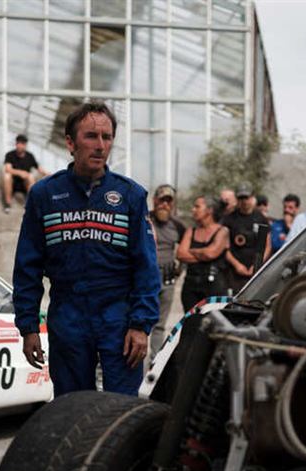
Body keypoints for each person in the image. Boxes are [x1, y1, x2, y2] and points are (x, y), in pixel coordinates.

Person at [12, 102, 159, 397]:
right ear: (70, 142)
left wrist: (141, 325)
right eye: (91, 136)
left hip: (118, 316)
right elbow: (27, 266)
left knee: (121, 410)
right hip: (68, 315)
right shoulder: (45, 194)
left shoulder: (131, 195)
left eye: (107, 137)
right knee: (71, 406)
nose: (100, 146)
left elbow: (146, 265)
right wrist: (28, 327)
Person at [148, 183, 186, 357]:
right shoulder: (144, 220)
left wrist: (181, 266)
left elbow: (188, 246)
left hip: (168, 279)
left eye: (168, 201)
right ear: (155, 201)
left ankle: (154, 362)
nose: (165, 205)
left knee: (160, 324)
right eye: (162, 200)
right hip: (146, 279)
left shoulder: (178, 225)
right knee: (138, 322)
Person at [177, 196, 230, 310]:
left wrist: (191, 251)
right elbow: (181, 254)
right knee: (191, 323)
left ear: (209, 210)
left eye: (197, 207)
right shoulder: (191, 231)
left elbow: (211, 254)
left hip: (213, 286)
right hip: (191, 286)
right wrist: (204, 254)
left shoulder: (222, 231)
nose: (193, 210)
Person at [223, 185, 270, 294]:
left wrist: (257, 265)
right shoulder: (229, 219)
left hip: (255, 271)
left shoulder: (260, 218)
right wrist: (237, 265)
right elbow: (224, 247)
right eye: (241, 198)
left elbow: (267, 245)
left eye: (246, 198)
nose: (244, 201)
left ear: (252, 197)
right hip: (235, 273)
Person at [2, 133, 45, 212]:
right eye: (18, 143)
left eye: (22, 143)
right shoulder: (10, 155)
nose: (19, 145)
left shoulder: (30, 156)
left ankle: (31, 205)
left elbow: (39, 168)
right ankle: (7, 204)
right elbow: (7, 169)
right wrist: (20, 172)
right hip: (13, 183)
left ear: (25, 145)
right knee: (7, 176)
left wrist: (49, 174)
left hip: (25, 184)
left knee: (31, 176)